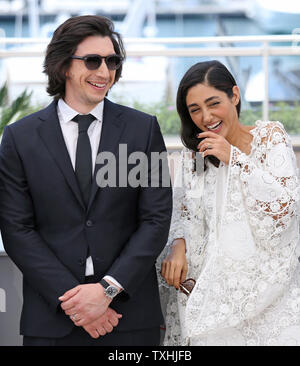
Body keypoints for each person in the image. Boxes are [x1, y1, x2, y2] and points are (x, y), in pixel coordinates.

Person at [0, 15, 172, 346]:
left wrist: (108, 289)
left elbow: (155, 219)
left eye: (112, 61)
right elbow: (17, 229)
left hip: (130, 319)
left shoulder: (142, 130)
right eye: (93, 60)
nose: (105, 72)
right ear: (64, 65)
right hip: (51, 321)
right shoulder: (20, 138)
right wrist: (78, 303)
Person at [159, 60, 300, 346]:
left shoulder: (270, 136)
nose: (206, 116)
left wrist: (234, 158)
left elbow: (285, 209)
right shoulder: (195, 155)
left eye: (213, 103)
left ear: (234, 96)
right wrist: (178, 245)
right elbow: (185, 212)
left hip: (269, 294)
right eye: (194, 109)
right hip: (213, 293)